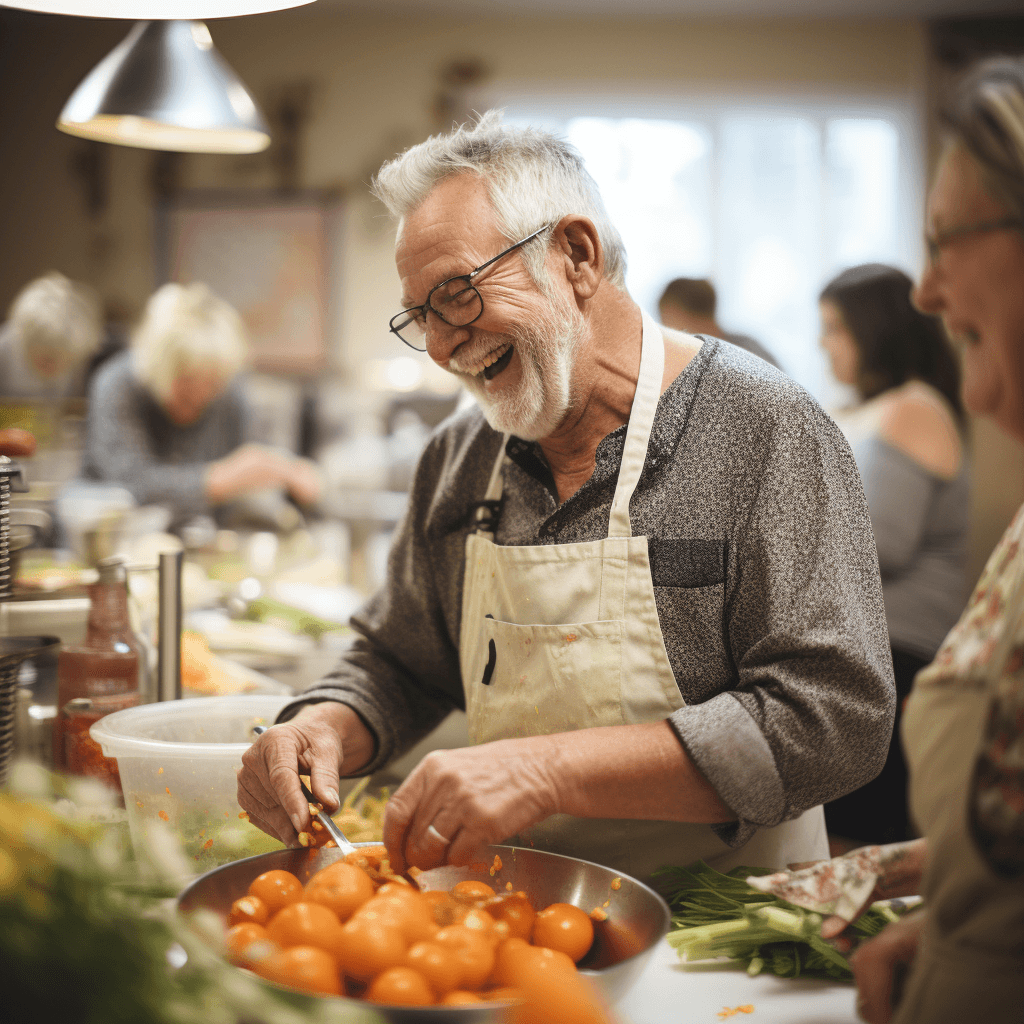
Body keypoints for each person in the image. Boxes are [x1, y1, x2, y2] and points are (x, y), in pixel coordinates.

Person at [238, 112, 894, 885]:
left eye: (456, 294)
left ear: (575, 255)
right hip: (507, 921)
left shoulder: (766, 430)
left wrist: (544, 771)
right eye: (421, 316)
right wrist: (322, 724)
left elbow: (835, 719)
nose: (445, 345)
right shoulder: (459, 457)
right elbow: (402, 661)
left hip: (723, 936)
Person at [745, 56, 1024, 1024]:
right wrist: (948, 912)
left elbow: (866, 543)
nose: (928, 290)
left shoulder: (910, 408)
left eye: (947, 241)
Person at [818, 264, 969, 848]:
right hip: (861, 635)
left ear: (873, 332)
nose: (822, 344)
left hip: (894, 645)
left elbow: (881, 542)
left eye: (834, 328)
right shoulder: (865, 409)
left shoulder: (914, 408)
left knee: (845, 835)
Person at [79, 282, 321, 531]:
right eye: (185, 383)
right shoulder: (116, 384)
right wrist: (222, 479)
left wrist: (278, 475)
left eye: (212, 385)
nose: (200, 396)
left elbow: (235, 501)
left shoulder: (230, 392)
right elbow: (128, 485)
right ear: (158, 367)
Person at [0, 272, 104, 401]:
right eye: (46, 360)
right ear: (24, 341)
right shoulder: (3, 351)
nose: (55, 368)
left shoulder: (75, 348)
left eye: (67, 362)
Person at [657, 276, 781, 368]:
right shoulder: (750, 348)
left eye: (666, 320)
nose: (666, 331)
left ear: (675, 312)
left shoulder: (745, 357)